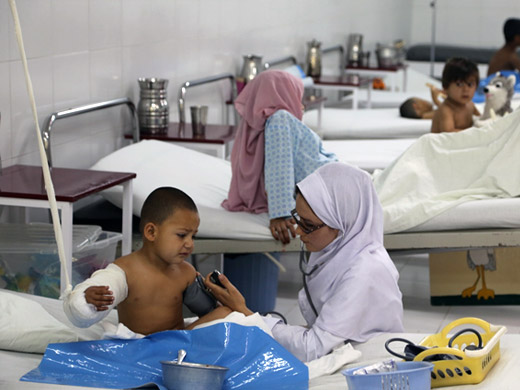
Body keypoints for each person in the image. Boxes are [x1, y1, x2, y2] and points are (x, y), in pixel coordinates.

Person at [209, 162, 404, 362]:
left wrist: (246, 314)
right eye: (298, 218)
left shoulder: (364, 272)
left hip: (370, 361)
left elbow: (314, 348)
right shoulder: (338, 251)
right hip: (344, 350)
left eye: (308, 225)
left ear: (343, 224)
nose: (297, 231)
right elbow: (323, 333)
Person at [63, 187, 231, 335]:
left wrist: (223, 301)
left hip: (177, 340)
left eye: (192, 236)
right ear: (151, 232)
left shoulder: (186, 272)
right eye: (181, 235)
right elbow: (106, 288)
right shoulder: (125, 271)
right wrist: (88, 300)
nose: (189, 243)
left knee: (225, 313)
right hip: (140, 346)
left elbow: (209, 312)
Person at [222, 70, 337, 245]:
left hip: (331, 181)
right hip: (329, 184)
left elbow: (278, 162)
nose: (302, 106)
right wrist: (281, 213)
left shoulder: (273, 121)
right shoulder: (280, 120)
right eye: (297, 97)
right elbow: (279, 166)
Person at [431, 57, 481, 133]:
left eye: (470, 84)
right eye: (459, 84)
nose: (466, 89)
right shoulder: (446, 110)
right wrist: (475, 133)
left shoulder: (470, 105)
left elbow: (481, 119)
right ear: (446, 87)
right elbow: (449, 133)